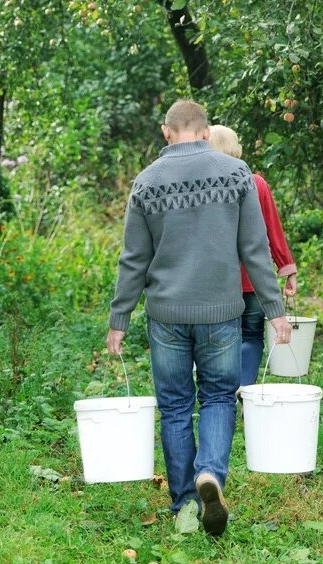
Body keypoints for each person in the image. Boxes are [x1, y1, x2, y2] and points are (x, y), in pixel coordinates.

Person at [106, 100, 292, 537]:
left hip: (166, 314)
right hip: (221, 313)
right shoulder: (236, 174)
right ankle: (210, 473)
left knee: (174, 407)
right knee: (219, 399)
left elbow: (133, 259)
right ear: (206, 132)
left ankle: (185, 504)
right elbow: (255, 249)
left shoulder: (146, 181)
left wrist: (119, 318)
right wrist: (275, 312)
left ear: (165, 132)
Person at [208, 125, 298, 388]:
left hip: (218, 280)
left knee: (222, 336)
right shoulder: (255, 183)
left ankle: (222, 390)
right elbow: (273, 230)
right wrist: (287, 268)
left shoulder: (202, 187)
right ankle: (244, 387)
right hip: (255, 280)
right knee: (251, 335)